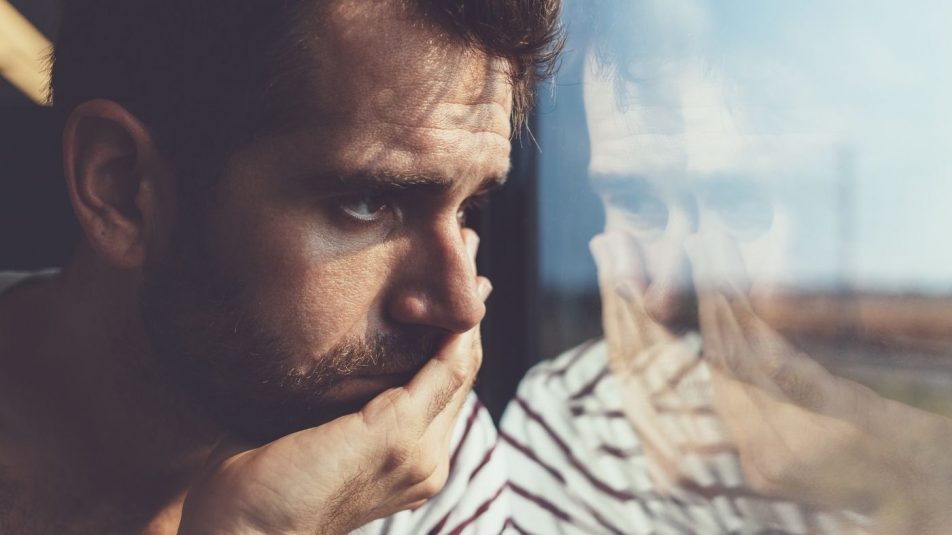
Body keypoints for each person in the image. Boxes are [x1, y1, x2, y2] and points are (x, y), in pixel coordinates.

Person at [0, 0, 563, 533]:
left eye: (467, 208)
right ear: (124, 192)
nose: (463, 306)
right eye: (367, 203)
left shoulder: (423, 464)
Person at [502, 1, 952, 533]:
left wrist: (897, 481)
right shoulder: (567, 421)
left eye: (740, 206)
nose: (665, 293)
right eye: (638, 204)